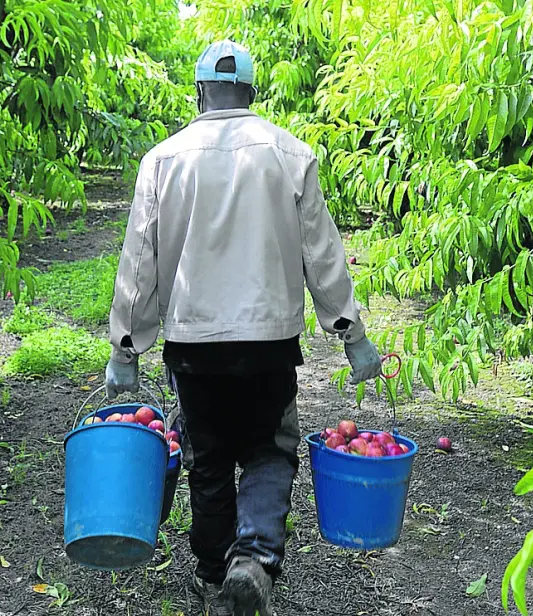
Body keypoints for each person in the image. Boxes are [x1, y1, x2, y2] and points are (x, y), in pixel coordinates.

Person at [105, 39, 383, 616]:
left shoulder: (162, 161)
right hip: (269, 343)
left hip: (193, 344)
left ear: (200, 92)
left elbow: (139, 263)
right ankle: (252, 560)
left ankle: (214, 576)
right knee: (268, 450)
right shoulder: (291, 154)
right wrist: (352, 336)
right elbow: (322, 257)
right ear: (252, 93)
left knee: (206, 458)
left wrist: (126, 348)